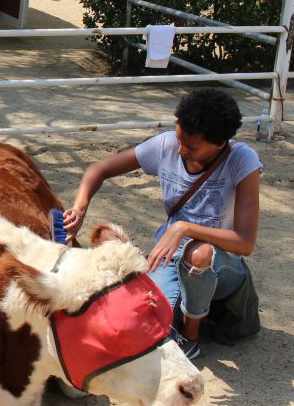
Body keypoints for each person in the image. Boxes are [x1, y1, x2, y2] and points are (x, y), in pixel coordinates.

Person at [62, 88, 263, 360]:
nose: (180, 149)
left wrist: (184, 229)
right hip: (169, 256)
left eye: (191, 146)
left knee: (199, 252)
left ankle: (190, 338)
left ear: (219, 144)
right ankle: (172, 322)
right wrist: (80, 207)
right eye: (179, 138)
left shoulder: (242, 159)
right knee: (147, 327)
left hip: (221, 264)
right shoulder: (168, 145)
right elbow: (99, 169)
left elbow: (245, 242)